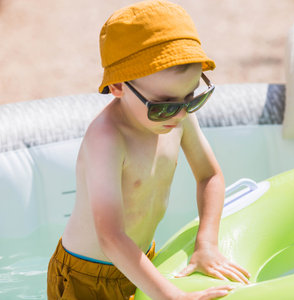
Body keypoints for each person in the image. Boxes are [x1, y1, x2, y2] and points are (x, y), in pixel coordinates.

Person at [46, 1, 251, 299]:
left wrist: (206, 243)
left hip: (141, 259)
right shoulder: (107, 138)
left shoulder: (178, 115)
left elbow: (209, 176)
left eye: (192, 97)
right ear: (118, 86)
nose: (180, 114)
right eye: (163, 105)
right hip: (88, 277)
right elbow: (111, 236)